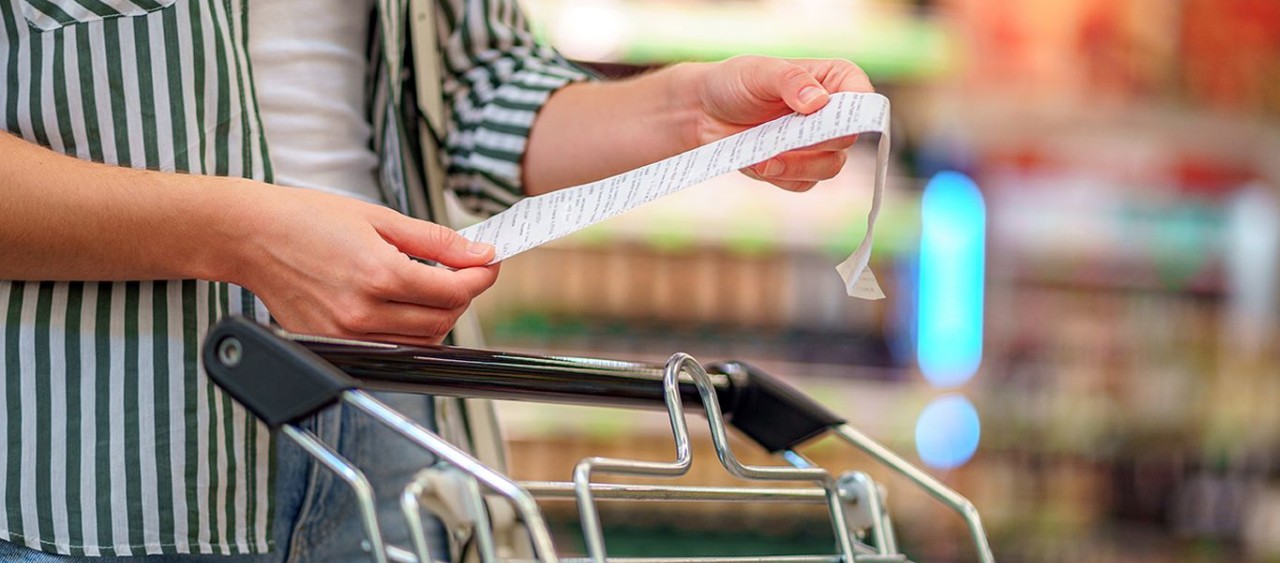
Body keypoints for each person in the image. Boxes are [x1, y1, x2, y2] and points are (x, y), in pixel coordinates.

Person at [0, 0, 873, 560]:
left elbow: (472, 85)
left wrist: (691, 111)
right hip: (92, 482)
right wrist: (241, 234)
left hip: (405, 429)